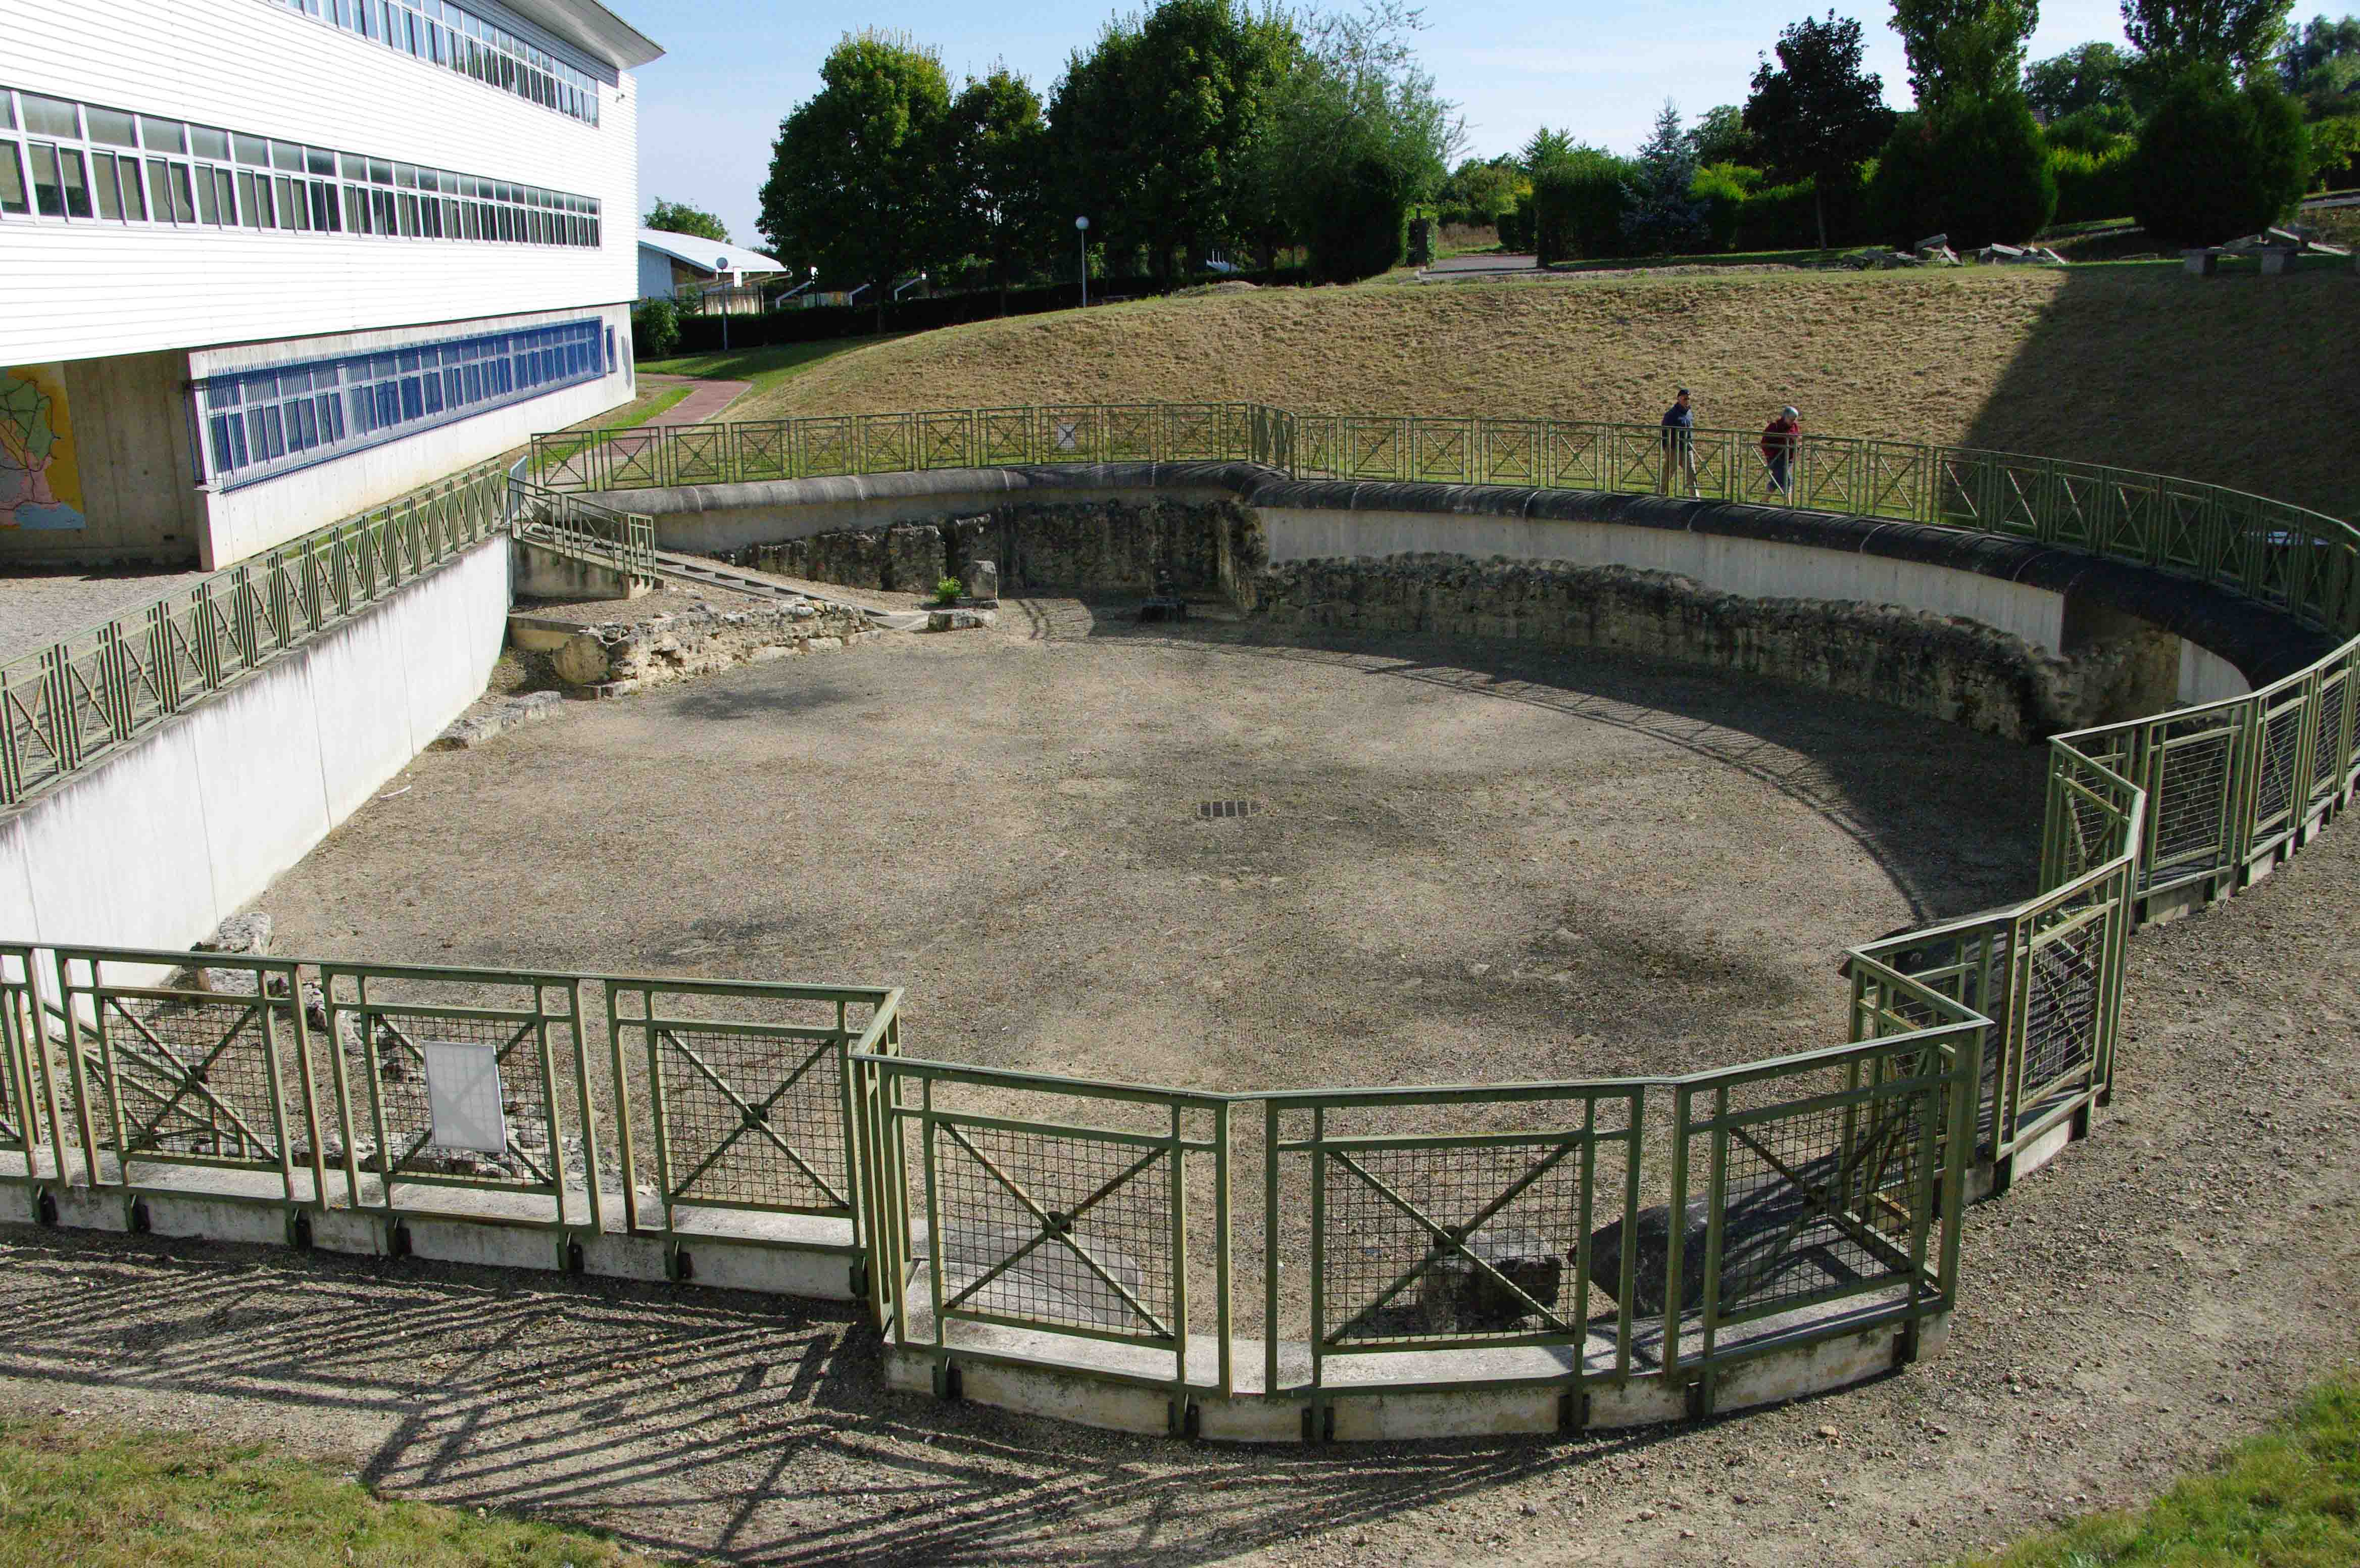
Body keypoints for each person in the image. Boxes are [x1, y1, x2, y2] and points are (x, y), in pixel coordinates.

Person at [1659, 387, 1699, 497]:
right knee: (1667, 474)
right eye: (1685, 399)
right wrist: (1667, 448)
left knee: (1691, 474)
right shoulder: (1671, 415)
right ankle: (1660, 495)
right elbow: (1664, 432)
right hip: (1675, 449)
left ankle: (1695, 498)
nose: (1687, 401)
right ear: (1679, 399)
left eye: (1688, 399)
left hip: (1688, 449)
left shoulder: (1689, 413)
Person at [1760, 405, 1801, 500]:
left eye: (1794, 420)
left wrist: (1796, 447)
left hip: (1789, 460)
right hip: (1776, 460)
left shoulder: (1795, 426)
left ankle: (1763, 501)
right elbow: (1764, 443)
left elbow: (1796, 439)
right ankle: (1788, 505)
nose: (1793, 422)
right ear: (1785, 417)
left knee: (1776, 481)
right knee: (1787, 480)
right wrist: (1771, 456)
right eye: (1791, 419)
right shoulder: (1774, 427)